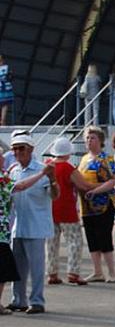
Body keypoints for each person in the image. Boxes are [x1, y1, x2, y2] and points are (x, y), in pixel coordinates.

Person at [6, 131, 59, 314]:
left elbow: (54, 195)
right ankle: (18, 299)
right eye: (14, 149)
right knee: (17, 268)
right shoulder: (13, 171)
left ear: (31, 150)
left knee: (36, 268)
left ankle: (37, 301)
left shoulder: (41, 169)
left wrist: (52, 180)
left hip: (36, 225)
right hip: (17, 226)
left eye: (21, 148)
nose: (17, 152)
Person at [46, 137, 94, 286]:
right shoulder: (68, 168)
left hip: (50, 209)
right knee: (75, 242)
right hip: (67, 209)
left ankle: (52, 273)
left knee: (51, 243)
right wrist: (104, 184)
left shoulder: (48, 165)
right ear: (68, 153)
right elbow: (84, 185)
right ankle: (73, 272)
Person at [77, 126, 115, 282]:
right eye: (87, 138)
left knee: (104, 238)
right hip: (86, 206)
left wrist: (96, 191)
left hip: (103, 205)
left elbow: (112, 181)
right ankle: (97, 271)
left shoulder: (106, 159)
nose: (89, 140)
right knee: (92, 239)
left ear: (100, 141)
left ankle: (112, 272)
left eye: (92, 137)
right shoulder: (84, 159)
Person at [0, 149, 20, 313]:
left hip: (4, 230)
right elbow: (18, 186)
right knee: (3, 267)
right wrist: (41, 175)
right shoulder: (2, 179)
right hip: (1, 232)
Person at [0, 54, 13, 126]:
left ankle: (2, 121)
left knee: (4, 105)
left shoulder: (7, 68)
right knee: (4, 105)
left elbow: (10, 78)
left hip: (4, 90)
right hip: (5, 90)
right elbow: (11, 78)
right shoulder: (7, 68)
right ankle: (2, 121)